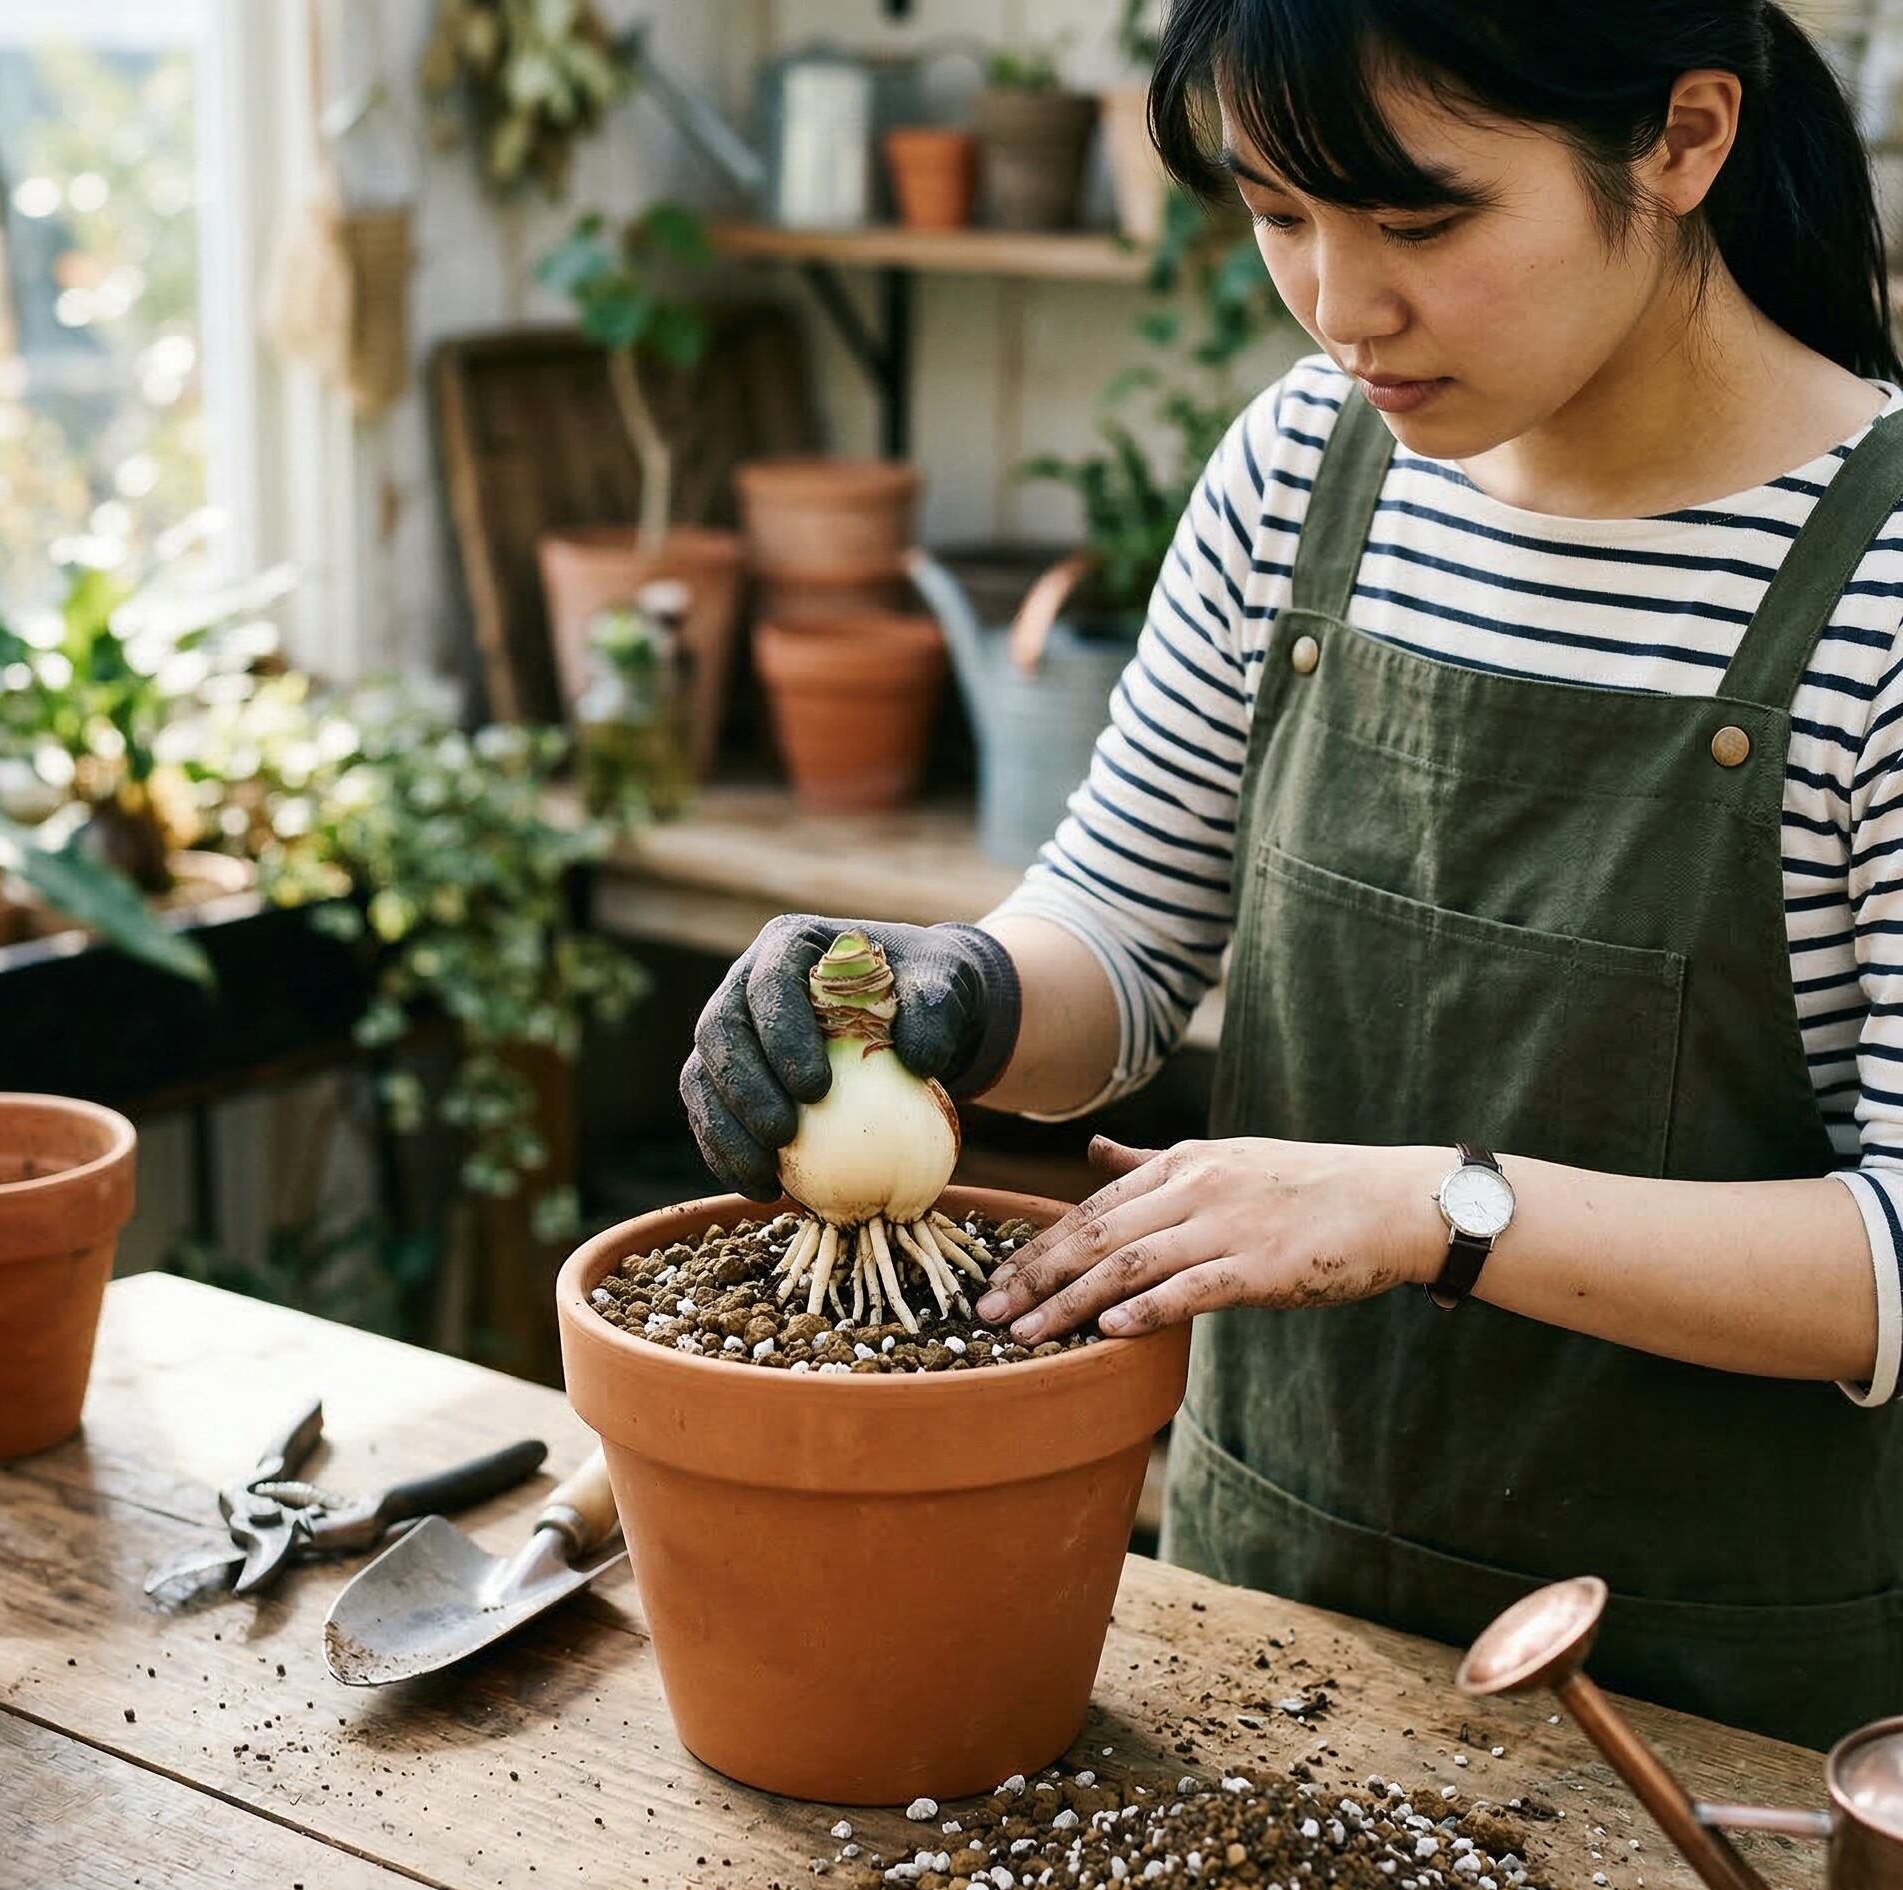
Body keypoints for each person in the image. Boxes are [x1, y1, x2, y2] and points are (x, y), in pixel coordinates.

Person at [682, 0, 1903, 1753]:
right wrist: (954, 991)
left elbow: (1890, 1259)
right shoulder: (1303, 473)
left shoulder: (1880, 588)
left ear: (1685, 141)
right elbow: (1120, 933)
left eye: (1421, 221)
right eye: (1277, 214)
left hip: (1713, 1727)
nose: (1342, 307)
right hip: (1261, 1627)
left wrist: (1430, 1211)